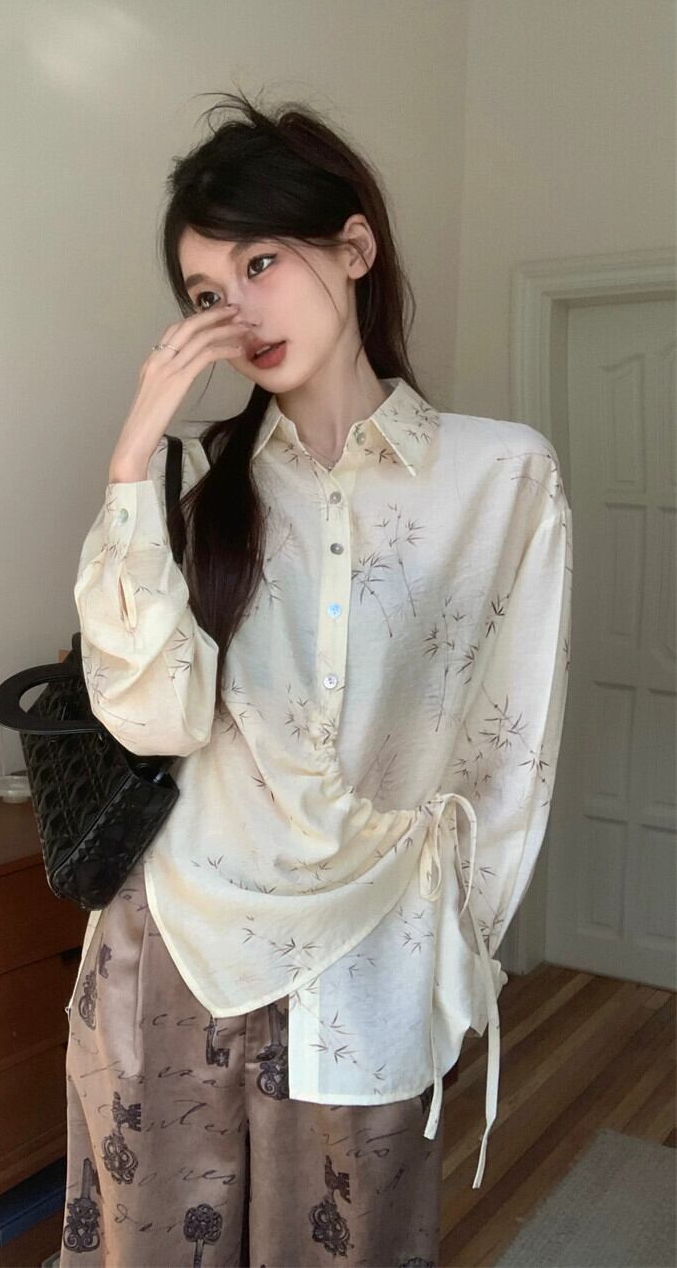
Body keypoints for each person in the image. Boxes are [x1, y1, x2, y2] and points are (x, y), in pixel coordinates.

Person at [59, 88, 572, 1268]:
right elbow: (151, 719)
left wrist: (456, 958)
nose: (236, 310)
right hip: (173, 944)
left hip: (373, 952)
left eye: (260, 263)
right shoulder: (198, 490)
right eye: (205, 293)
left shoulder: (501, 478)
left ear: (353, 247)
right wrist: (132, 459)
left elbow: (510, 755)